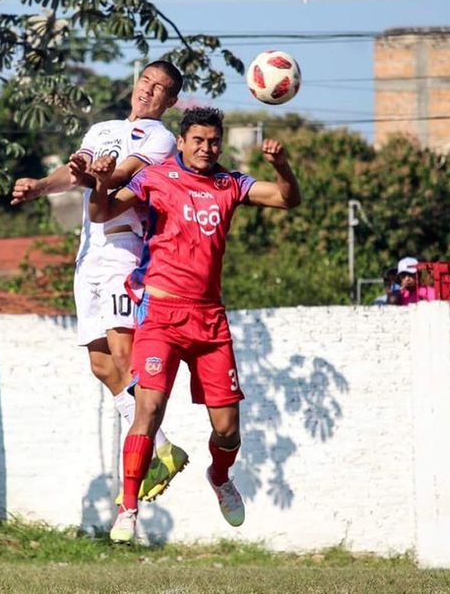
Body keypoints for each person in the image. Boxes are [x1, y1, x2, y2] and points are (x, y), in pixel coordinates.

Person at [79, 106, 301, 543]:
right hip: (160, 316)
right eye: (197, 140)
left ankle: (219, 478)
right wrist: (102, 182)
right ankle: (128, 508)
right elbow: (102, 213)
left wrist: (281, 166)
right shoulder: (156, 176)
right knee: (149, 408)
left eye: (213, 141)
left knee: (227, 430)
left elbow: (286, 198)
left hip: (210, 320)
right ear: (181, 142)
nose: (205, 148)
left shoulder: (230, 183)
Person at [11, 61, 189, 502]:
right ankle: (165, 448)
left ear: (169, 101)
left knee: (125, 353)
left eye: (160, 89)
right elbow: (78, 172)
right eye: (145, 82)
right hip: (89, 254)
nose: (148, 91)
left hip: (124, 251)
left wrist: (98, 174)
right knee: (101, 365)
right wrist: (39, 186)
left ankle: (150, 449)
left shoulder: (160, 138)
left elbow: (122, 176)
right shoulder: (101, 128)